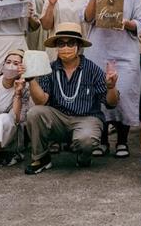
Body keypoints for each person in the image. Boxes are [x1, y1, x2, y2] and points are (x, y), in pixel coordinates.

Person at [24, 23, 119, 174]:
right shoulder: (50, 69)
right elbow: (41, 101)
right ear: (56, 46)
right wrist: (31, 80)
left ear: (79, 46)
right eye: (61, 43)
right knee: (34, 113)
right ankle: (41, 158)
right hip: (59, 118)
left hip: (87, 118)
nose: (65, 47)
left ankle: (83, 155)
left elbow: (111, 104)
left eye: (71, 43)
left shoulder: (92, 69)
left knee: (86, 139)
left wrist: (111, 87)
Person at [84, 0, 141, 159]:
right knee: (98, 93)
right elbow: (87, 17)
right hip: (99, 49)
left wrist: (127, 23)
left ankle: (122, 140)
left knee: (124, 92)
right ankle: (101, 141)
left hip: (126, 52)